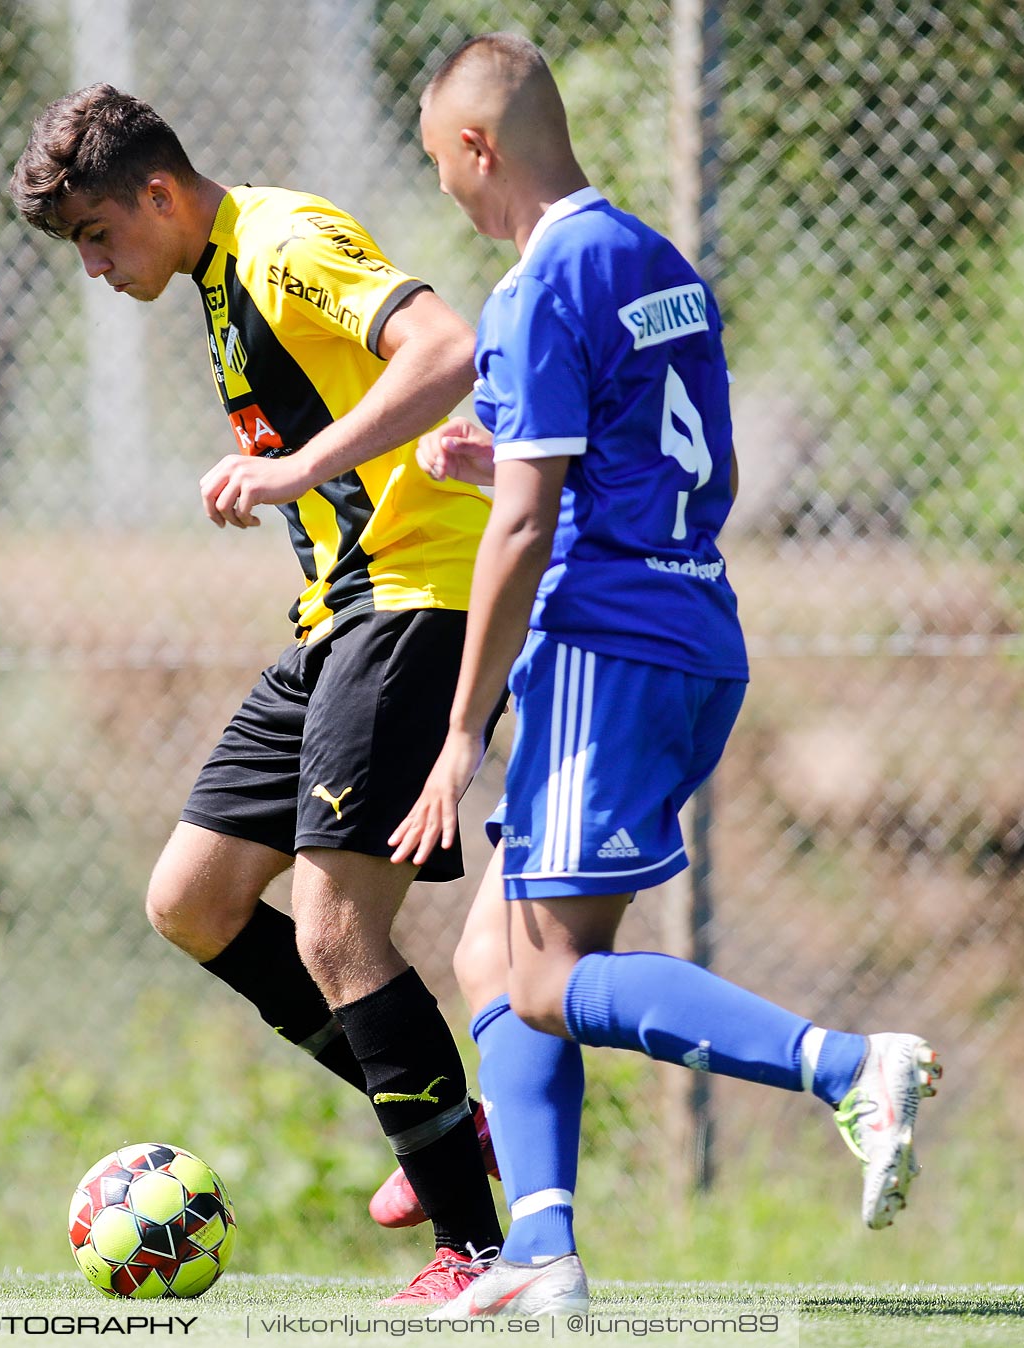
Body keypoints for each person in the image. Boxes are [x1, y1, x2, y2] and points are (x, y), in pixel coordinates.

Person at [387, 35, 943, 1317]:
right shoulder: (655, 261)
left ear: (479, 147)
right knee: (494, 953)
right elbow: (678, 461)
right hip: (696, 630)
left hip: (604, 646)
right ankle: (543, 1255)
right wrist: (516, 461)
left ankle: (849, 1065)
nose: (447, 196)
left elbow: (524, 538)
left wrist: (463, 730)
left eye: (440, 166)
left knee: (539, 978)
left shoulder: (534, 289)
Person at [9, 85, 508, 1302]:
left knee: (340, 933)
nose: (93, 265)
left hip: (415, 604)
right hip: (335, 619)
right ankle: (448, 1115)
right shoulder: (217, 277)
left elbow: (447, 350)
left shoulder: (281, 244)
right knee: (192, 899)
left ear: (161, 194)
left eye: (97, 236)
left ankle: (478, 1246)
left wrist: (298, 473)